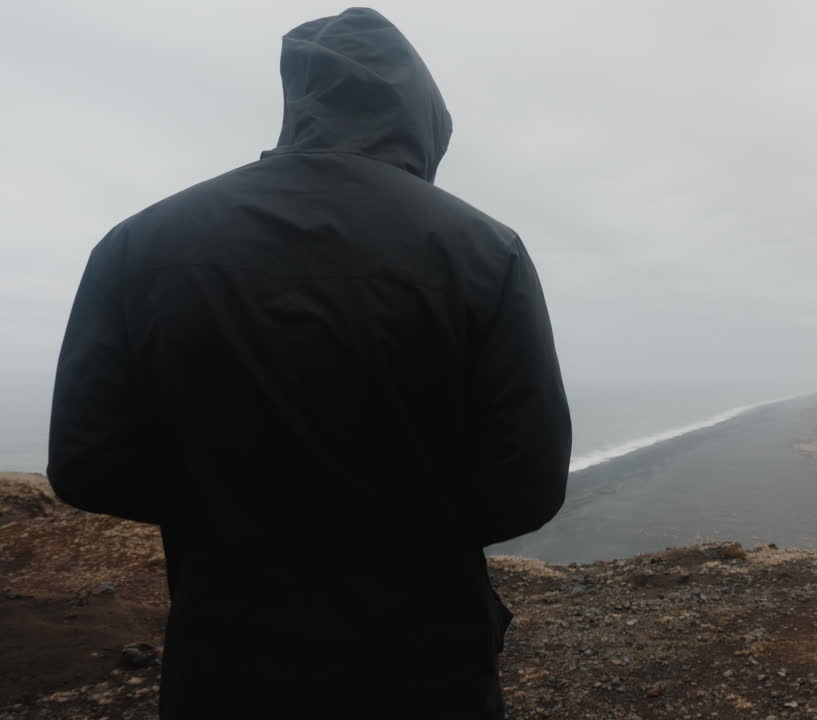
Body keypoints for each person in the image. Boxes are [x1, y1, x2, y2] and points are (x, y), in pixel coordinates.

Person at [47, 8, 571, 718]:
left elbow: (86, 465)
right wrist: (406, 517)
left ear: (301, 102)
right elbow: (527, 487)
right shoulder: (484, 251)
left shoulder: (137, 245)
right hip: (426, 663)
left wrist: (222, 506)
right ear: (421, 119)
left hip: (225, 661)